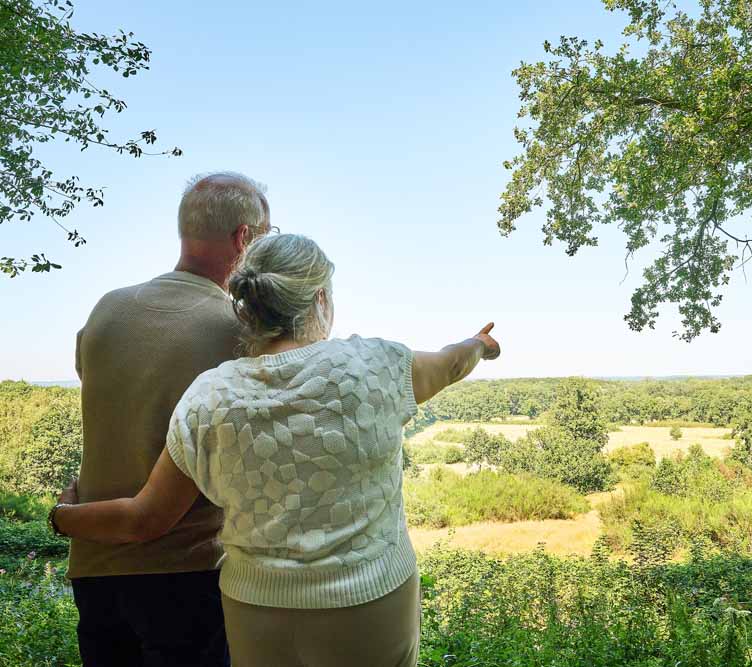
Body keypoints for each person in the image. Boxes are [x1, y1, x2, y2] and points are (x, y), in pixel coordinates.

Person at [53, 233, 501, 667]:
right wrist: (479, 344)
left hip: (256, 612)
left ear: (248, 310)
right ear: (320, 300)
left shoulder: (208, 397)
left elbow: (144, 517)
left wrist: (61, 517)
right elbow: (450, 362)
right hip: (368, 601)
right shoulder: (375, 366)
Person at [63, 172, 271, 667]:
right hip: (186, 571)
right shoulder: (239, 331)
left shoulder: (106, 310)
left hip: (94, 565)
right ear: (244, 238)